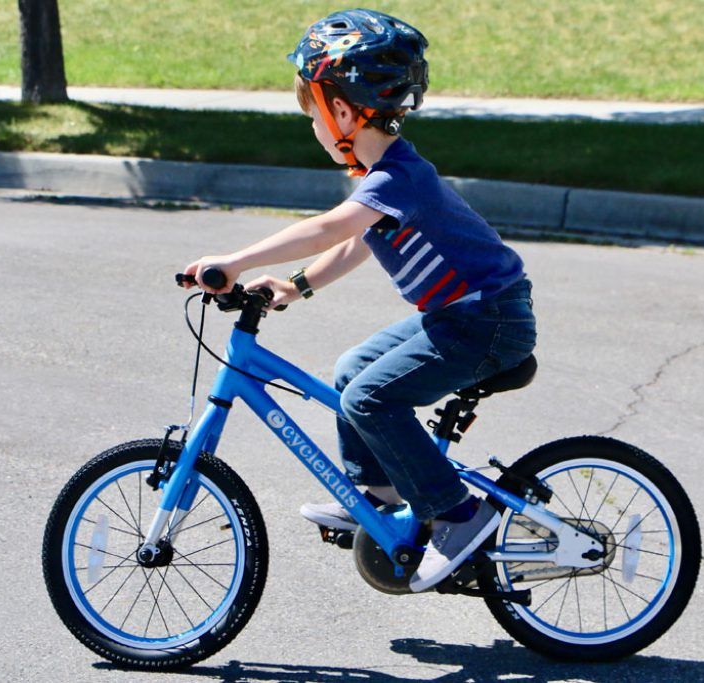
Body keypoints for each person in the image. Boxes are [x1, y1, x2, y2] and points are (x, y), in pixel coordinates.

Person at [181, 8, 536, 592]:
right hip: (460, 317)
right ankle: (378, 494)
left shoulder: (396, 178)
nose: (314, 128)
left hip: (488, 322)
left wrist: (237, 262)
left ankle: (459, 517)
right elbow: (355, 243)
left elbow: (330, 229)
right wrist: (295, 285)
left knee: (370, 400)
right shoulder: (381, 177)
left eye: (312, 116)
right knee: (352, 374)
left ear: (341, 111)